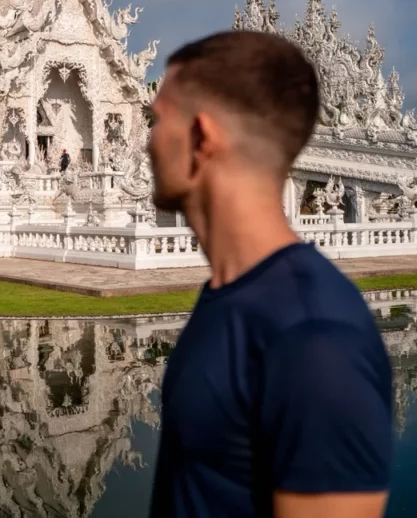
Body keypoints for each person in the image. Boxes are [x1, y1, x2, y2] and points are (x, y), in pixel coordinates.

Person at [147, 31, 392, 517]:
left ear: (201, 138)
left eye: (155, 120)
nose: (147, 140)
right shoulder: (232, 294)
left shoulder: (314, 336)